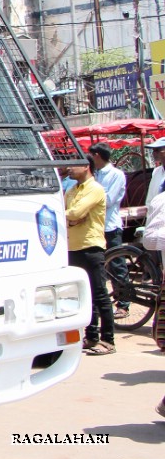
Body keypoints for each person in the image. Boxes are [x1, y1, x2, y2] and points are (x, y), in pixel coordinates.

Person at [65, 158, 116, 355]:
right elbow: (69, 213)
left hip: (91, 247)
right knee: (85, 297)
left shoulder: (95, 189)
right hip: (73, 247)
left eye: (73, 164)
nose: (69, 167)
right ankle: (91, 336)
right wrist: (72, 218)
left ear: (86, 166)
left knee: (100, 294)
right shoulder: (72, 190)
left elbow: (76, 211)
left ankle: (108, 339)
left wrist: (72, 216)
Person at [88, 144, 129, 318]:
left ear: (97, 156)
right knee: (99, 268)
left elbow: (109, 200)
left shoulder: (116, 175)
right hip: (94, 228)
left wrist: (89, 198)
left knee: (117, 266)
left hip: (110, 226)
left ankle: (124, 304)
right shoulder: (94, 175)